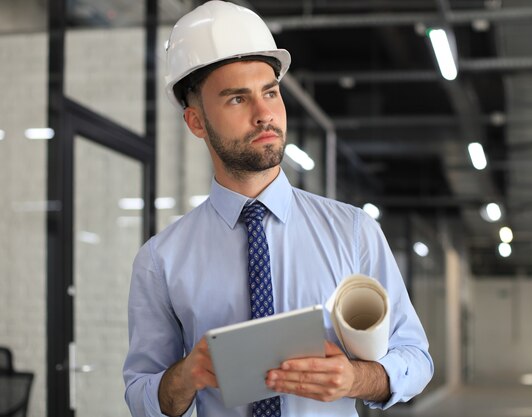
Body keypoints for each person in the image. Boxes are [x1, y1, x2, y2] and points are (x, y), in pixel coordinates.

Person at [123, 1, 433, 416]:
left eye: (270, 92)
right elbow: (141, 395)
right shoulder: (160, 260)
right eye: (237, 99)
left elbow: (415, 357)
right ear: (196, 122)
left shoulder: (354, 232)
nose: (264, 114)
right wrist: (185, 375)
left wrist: (357, 378)